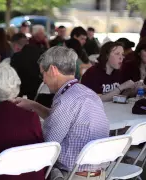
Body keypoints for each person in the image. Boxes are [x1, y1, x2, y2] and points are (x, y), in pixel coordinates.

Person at [14, 46, 109, 180]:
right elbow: (63, 119)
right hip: (99, 173)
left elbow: (48, 146)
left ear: (53, 70)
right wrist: (33, 105)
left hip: (73, 175)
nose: (44, 80)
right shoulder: (86, 93)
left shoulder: (66, 100)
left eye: (43, 74)